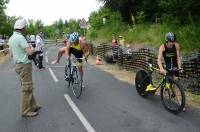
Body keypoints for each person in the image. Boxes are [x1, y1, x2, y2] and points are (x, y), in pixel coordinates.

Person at [8, 19, 40, 117]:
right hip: (24, 65)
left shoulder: (11, 38)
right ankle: (25, 111)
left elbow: (11, 55)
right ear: (22, 28)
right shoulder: (20, 38)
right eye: (25, 27)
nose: (26, 28)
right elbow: (30, 52)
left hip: (18, 65)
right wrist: (33, 48)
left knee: (27, 85)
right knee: (27, 88)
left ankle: (33, 105)